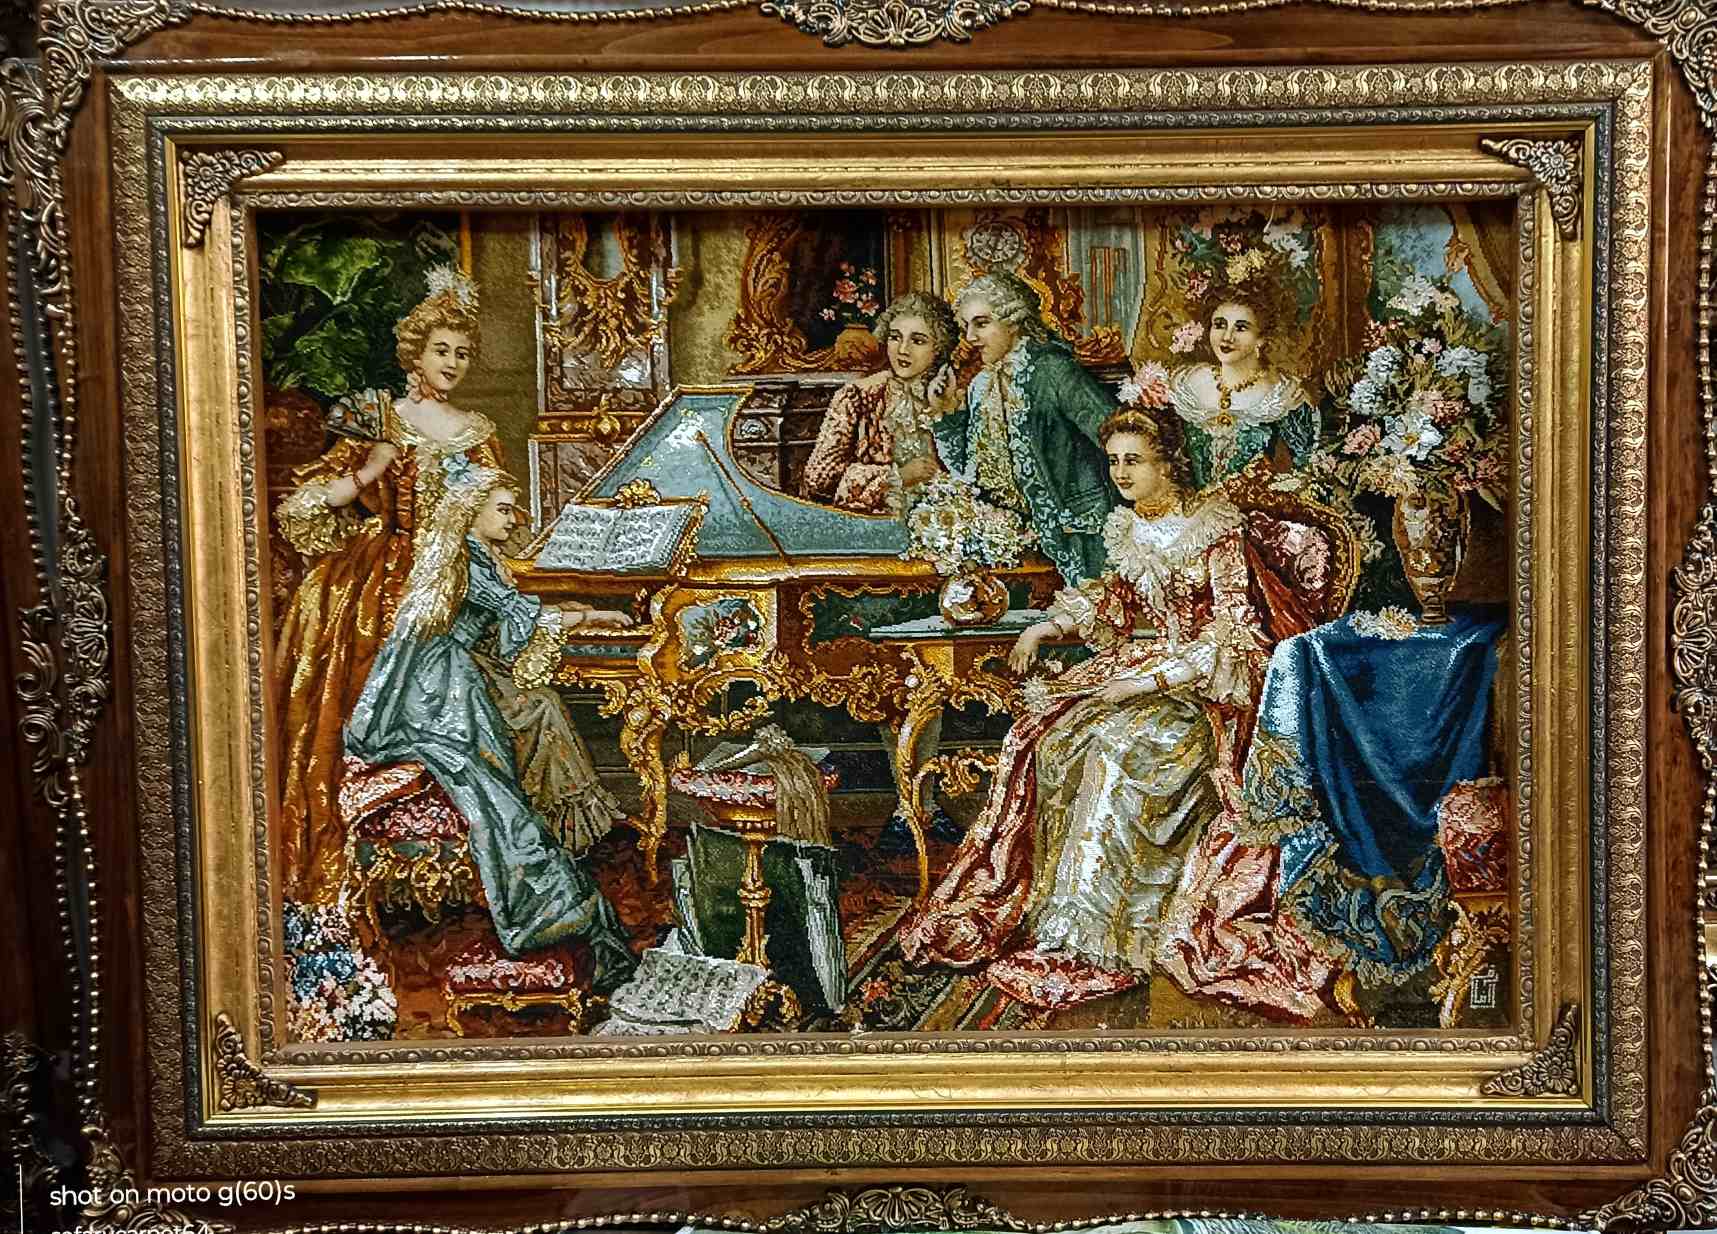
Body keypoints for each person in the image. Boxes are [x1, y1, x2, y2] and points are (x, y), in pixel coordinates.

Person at [899, 407, 1286, 1011]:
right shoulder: (1131, 528)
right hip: (1139, 673)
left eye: (1134, 460)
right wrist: (1045, 628)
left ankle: (1103, 938)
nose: (1121, 472)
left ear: (1169, 464)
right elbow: (1112, 604)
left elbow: (1235, 634)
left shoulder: (1215, 532)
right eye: (1113, 461)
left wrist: (1146, 683)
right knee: (1051, 740)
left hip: (1203, 691)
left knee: (1115, 751)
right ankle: (1056, 921)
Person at [343, 461, 638, 978]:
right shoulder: (462, 560)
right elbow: (520, 614)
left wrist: (575, 610)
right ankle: (550, 887)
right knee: (505, 760)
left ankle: (562, 826)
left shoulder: (475, 554)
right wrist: (590, 614)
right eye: (503, 509)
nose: (513, 519)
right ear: (470, 512)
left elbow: (512, 615)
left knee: (540, 706)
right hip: (441, 689)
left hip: (457, 672)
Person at [274, 266, 504, 904]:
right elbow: (314, 504)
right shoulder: (383, 419)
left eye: (462, 353)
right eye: (441, 350)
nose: (452, 363)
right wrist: (361, 475)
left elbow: (490, 517)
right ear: (415, 355)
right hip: (376, 582)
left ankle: (467, 869)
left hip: (450, 575)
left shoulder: (478, 431)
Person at [929, 271, 1118, 586]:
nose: (971, 337)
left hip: (1078, 532)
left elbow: (1115, 434)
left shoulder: (1053, 370)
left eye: (981, 324)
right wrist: (946, 412)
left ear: (1013, 321)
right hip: (1018, 540)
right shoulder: (981, 386)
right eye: (966, 327)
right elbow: (966, 473)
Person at [801, 291, 958, 514]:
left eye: (918, 341)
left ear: (939, 347)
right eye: (895, 337)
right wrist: (897, 476)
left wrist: (944, 411)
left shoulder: (949, 396)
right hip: (873, 521)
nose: (903, 350)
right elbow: (817, 479)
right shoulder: (859, 396)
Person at [1167, 272, 1319, 490]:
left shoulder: (1283, 395)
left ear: (1261, 339)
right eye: (1220, 325)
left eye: (1241, 328)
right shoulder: (1187, 383)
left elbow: (1305, 470)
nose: (1227, 337)